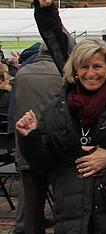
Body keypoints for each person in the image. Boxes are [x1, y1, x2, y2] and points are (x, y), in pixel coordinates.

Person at [16, 39, 106, 232]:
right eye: (84, 67)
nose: (90, 73)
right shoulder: (57, 109)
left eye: (97, 66)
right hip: (73, 214)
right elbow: (44, 163)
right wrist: (29, 137)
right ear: (74, 70)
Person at [13, 46, 64, 234]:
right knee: (64, 204)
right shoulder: (63, 73)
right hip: (56, 148)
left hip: (26, 146)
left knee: (31, 206)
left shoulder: (22, 74)